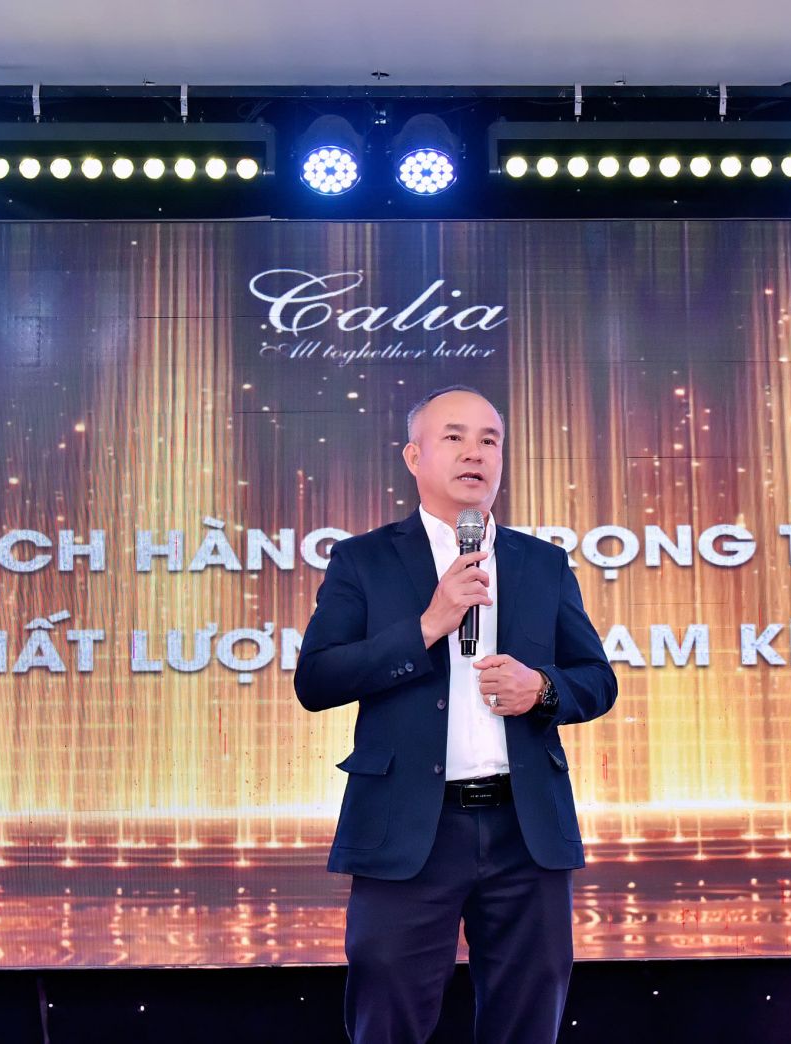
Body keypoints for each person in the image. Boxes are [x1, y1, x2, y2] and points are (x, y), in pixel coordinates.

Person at [294, 385, 617, 1044]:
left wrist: (541, 689)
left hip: (526, 831)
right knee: (388, 1013)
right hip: (408, 828)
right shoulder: (364, 559)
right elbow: (317, 679)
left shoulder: (543, 563)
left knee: (528, 1017)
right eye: (454, 437)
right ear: (414, 457)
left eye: (489, 440)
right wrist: (427, 627)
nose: (475, 453)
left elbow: (596, 681)